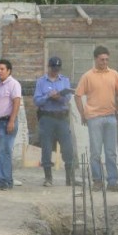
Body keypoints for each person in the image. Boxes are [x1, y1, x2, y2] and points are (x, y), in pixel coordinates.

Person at [74, 45, 118, 192]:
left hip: (110, 117)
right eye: (102, 59)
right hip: (94, 118)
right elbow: (78, 95)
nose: (104, 62)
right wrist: (82, 114)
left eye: (107, 59)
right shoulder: (88, 76)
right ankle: (97, 181)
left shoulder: (114, 74)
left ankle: (113, 182)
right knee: (96, 152)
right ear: (96, 59)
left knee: (111, 152)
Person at [33, 56, 75, 187]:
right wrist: (48, 96)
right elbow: (36, 100)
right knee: (46, 147)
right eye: (53, 68)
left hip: (62, 118)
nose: (55, 71)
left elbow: (68, 97)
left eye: (58, 68)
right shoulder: (41, 82)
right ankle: (48, 178)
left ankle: (70, 178)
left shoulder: (65, 80)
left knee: (67, 147)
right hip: (47, 118)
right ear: (49, 67)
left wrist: (59, 97)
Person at [0, 59, 21, 190]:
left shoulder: (14, 84)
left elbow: (16, 103)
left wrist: (12, 121)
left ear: (9, 71)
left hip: (7, 122)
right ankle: (1, 180)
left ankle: (5, 182)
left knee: (4, 153)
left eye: (2, 69)